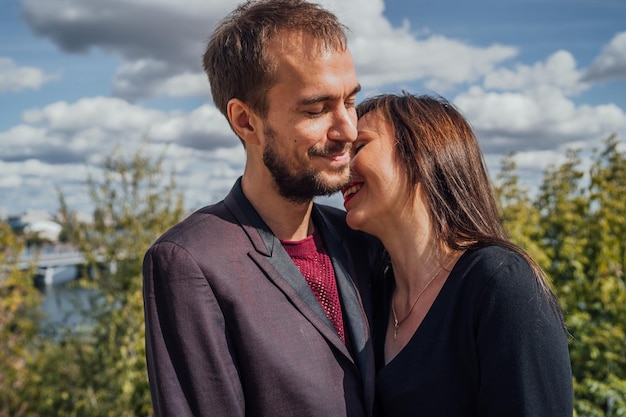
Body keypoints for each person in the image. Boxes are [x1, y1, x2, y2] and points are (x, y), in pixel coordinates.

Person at [142, 1, 383, 416]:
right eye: (316, 109)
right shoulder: (190, 262)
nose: (347, 129)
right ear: (245, 121)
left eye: (349, 101)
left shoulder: (362, 238)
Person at [341, 92, 574, 416]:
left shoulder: (501, 284)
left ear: (419, 152)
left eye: (360, 146)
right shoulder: (372, 296)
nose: (341, 165)